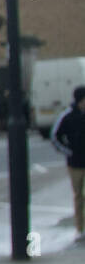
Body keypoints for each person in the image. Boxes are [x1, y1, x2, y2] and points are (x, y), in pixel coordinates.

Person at [50, 86, 85, 239]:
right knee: (79, 196)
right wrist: (68, 152)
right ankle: (80, 228)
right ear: (79, 101)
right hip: (75, 163)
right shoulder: (68, 116)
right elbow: (55, 137)